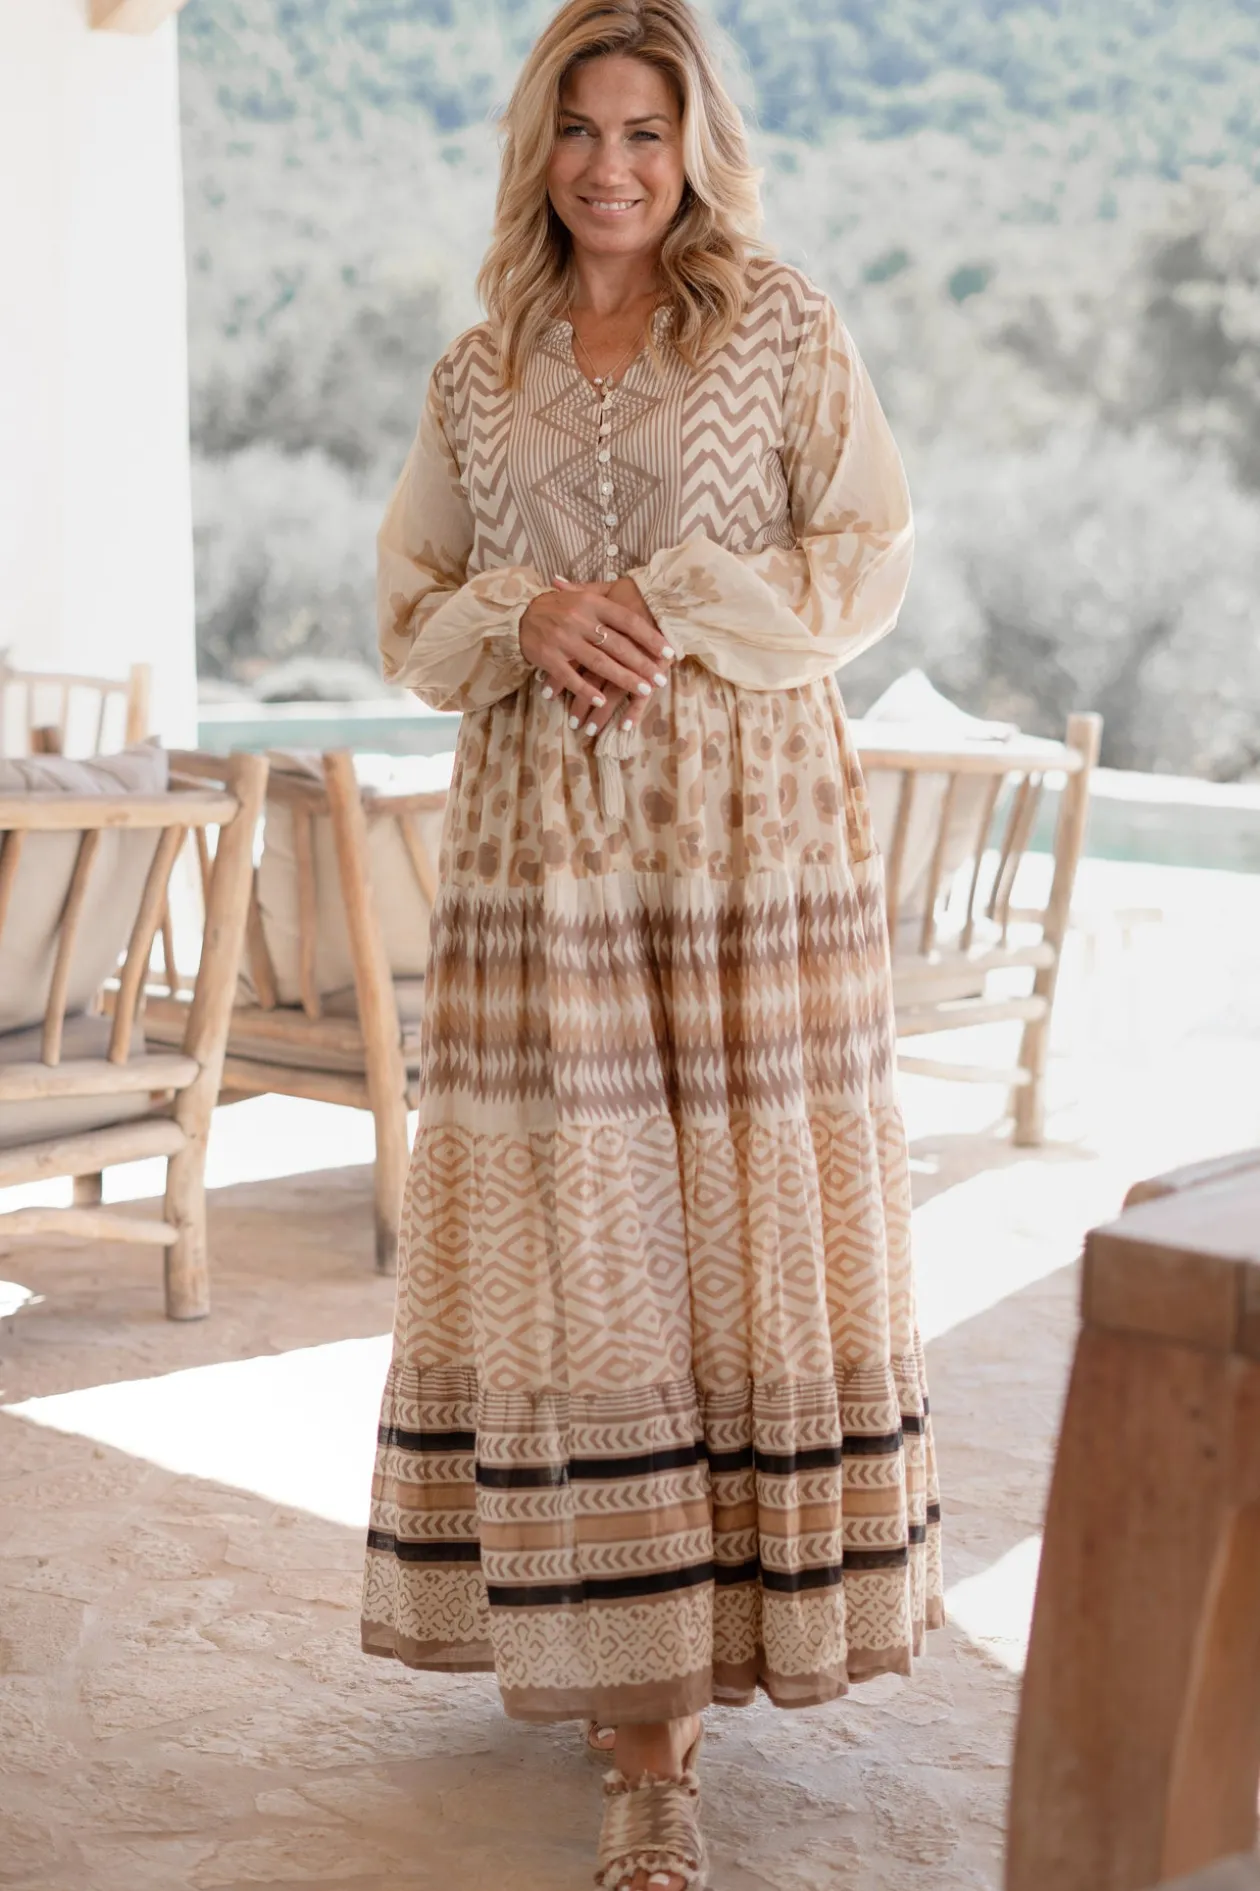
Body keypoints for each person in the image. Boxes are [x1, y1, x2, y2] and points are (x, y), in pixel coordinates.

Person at [362, 3, 942, 1884]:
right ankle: (641, 1739)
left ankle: (705, 1665)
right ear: (537, 146)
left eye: (645, 132)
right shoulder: (479, 372)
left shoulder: (777, 325)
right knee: (585, 1247)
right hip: (546, 857)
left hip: (747, 847)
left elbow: (867, 551)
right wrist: (527, 615)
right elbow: (412, 605)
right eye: (581, 128)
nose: (611, 166)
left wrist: (676, 599)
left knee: (734, 1241)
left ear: (693, 150)